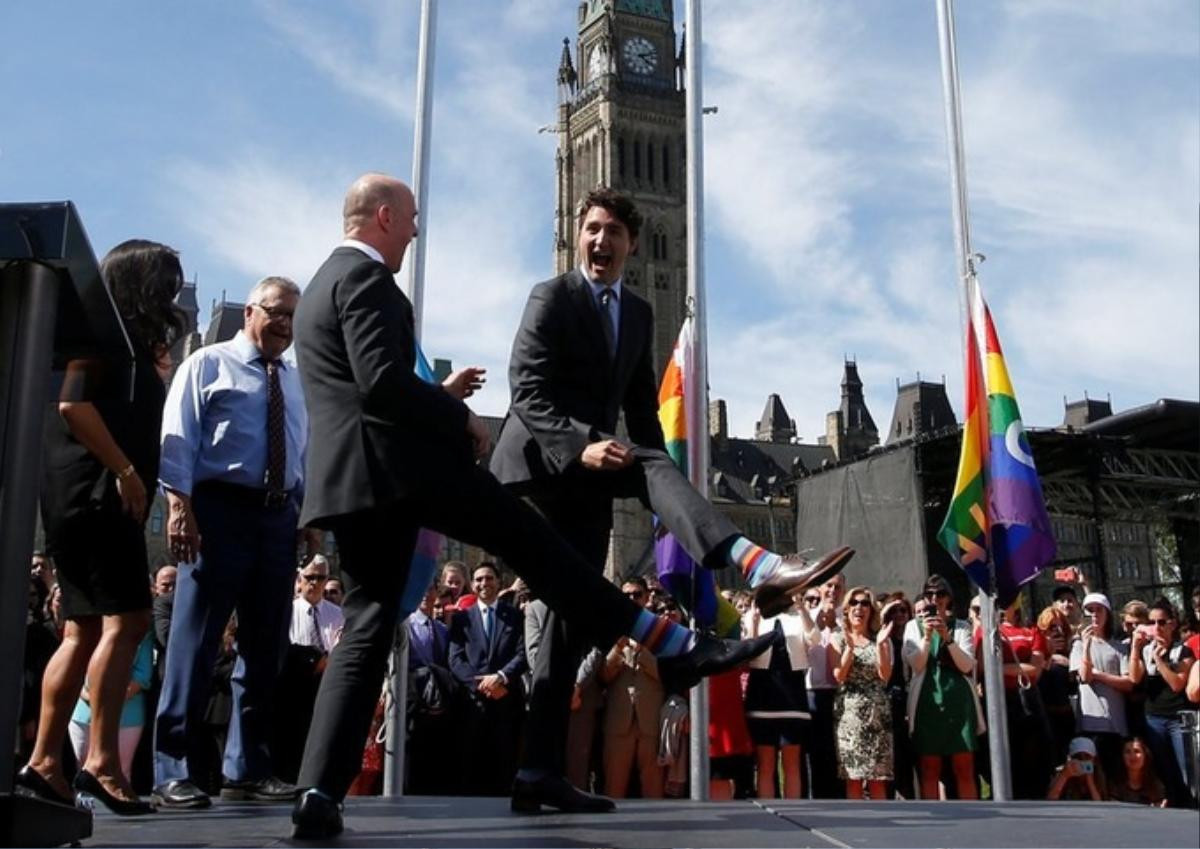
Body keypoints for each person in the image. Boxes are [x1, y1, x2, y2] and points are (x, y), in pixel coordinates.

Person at [288, 173, 779, 838]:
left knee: (368, 628)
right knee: (536, 546)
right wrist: (454, 413)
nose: (414, 230)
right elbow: (381, 384)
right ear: (381, 216)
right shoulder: (371, 281)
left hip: (349, 485)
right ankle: (671, 643)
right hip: (405, 473)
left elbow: (361, 382)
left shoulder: (321, 284)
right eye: (408, 218)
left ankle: (318, 789)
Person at [489, 187, 853, 814]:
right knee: (565, 612)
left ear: (634, 243)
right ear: (578, 234)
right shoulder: (552, 296)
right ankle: (745, 575)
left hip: (594, 471)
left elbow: (642, 419)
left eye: (613, 233)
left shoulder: (636, 313)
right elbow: (527, 391)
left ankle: (536, 772)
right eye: (592, 229)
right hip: (540, 473)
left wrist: (670, 499)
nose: (600, 241)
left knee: (567, 631)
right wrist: (582, 448)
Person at [20, 240, 185, 815]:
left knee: (84, 629)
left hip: (81, 496)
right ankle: (98, 763)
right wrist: (126, 471)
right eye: (166, 282)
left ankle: (47, 764)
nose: (171, 293)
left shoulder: (115, 343)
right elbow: (74, 405)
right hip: (96, 493)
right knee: (129, 620)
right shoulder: (98, 336)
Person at [153, 275, 311, 810]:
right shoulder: (207, 363)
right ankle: (171, 767)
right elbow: (179, 437)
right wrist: (180, 507)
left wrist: (305, 514)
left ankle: (246, 766)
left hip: (277, 519)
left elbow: (299, 449)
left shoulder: (293, 379)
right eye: (276, 312)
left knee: (265, 648)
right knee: (195, 643)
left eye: (293, 315)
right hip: (218, 512)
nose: (285, 324)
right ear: (250, 312)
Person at [447, 563, 528, 796]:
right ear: (472, 585)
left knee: (504, 766)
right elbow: (455, 660)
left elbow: (522, 654)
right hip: (473, 704)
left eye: (489, 578)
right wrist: (480, 684)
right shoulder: (462, 620)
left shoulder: (514, 616)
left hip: (506, 702)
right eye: (479, 579)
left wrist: (501, 678)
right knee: (471, 767)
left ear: (499, 582)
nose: (484, 583)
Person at [903, 574, 981, 801]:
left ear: (949, 598)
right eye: (929, 594)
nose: (935, 598)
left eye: (940, 593)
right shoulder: (912, 627)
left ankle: (974, 816)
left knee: (964, 767)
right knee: (929, 767)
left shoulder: (961, 626)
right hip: (927, 701)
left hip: (958, 701)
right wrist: (927, 637)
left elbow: (967, 665)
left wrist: (947, 638)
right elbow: (916, 665)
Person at [743, 593, 819, 800]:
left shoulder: (797, 619)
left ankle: (793, 812)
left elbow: (815, 639)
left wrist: (802, 609)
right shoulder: (752, 617)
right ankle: (768, 811)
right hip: (762, 695)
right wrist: (754, 621)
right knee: (766, 765)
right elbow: (748, 652)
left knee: (791, 764)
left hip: (792, 696)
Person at [600, 579, 666, 799]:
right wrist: (618, 650)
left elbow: (667, 675)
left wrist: (643, 652)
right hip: (619, 723)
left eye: (636, 594)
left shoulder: (661, 630)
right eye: (626, 595)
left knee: (653, 789)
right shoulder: (609, 628)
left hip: (651, 722)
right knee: (614, 789)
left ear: (647, 597)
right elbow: (602, 676)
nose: (631, 600)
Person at [1128, 596, 1196, 807]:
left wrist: (1160, 660)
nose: (1156, 627)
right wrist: (1135, 649)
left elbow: (1177, 684)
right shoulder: (1146, 650)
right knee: (1164, 767)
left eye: (1161, 622)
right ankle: (1174, 806)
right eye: (1151, 622)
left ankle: (1193, 805)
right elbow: (1134, 678)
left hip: (1178, 719)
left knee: (1187, 768)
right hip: (1154, 717)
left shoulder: (1183, 651)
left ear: (1172, 624)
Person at [983, 598, 1051, 800]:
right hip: (999, 703)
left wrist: (1000, 668)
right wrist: (1018, 668)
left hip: (1026, 703)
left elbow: (1035, 671)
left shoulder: (1032, 632)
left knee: (1032, 758)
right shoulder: (990, 631)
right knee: (1005, 759)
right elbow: (983, 666)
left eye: (1009, 599)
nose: (1004, 604)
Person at [829, 587, 893, 800]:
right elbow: (839, 675)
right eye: (854, 603)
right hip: (850, 715)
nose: (859, 608)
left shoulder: (879, 638)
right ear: (846, 609)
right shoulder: (837, 638)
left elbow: (885, 675)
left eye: (865, 603)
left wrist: (882, 644)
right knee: (853, 776)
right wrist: (849, 647)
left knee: (878, 777)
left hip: (877, 713)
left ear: (871, 610)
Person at [68, 632, 154, 784]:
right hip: (84, 712)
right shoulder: (89, 626)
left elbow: (142, 676)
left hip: (127, 716)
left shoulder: (143, 631)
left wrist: (102, 699)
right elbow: (73, 667)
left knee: (121, 772)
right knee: (83, 769)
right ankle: (82, 806)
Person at [1070, 592, 1132, 780]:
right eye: (1090, 611)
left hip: (1116, 725)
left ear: (1107, 614)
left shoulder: (1119, 647)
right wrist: (1087, 645)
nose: (1095, 615)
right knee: (1091, 778)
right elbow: (1085, 677)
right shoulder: (1078, 646)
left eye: (1099, 610)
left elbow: (1128, 683)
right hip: (1090, 724)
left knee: (1114, 777)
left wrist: (1099, 675)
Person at [805, 574, 847, 799]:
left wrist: (836, 626)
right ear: (819, 589)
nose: (833, 591)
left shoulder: (849, 618)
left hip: (841, 692)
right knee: (816, 752)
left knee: (839, 751)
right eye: (828, 585)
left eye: (838, 587)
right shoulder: (806, 617)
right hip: (812, 691)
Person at [879, 595, 915, 798]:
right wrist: (884, 615)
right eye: (894, 611)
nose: (899, 615)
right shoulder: (883, 639)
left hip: (910, 700)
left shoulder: (914, 638)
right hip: (889, 702)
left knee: (907, 761)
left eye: (903, 610)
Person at [1036, 605, 1076, 762]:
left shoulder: (1073, 653)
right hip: (1046, 720)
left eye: (1062, 627)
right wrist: (1049, 656)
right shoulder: (1037, 655)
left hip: (1069, 720)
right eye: (1053, 627)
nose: (1058, 632)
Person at [1108, 736, 1168, 806]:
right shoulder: (1115, 784)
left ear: (1145, 755)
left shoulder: (1156, 785)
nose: (1132, 756)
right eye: (1128, 752)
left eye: (1137, 751)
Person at [1047, 736, 1107, 801]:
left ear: (1094, 760)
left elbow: (1099, 807)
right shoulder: (1061, 775)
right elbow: (1050, 801)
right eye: (1078, 757)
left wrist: (1090, 781)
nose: (1083, 760)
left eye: (1087, 757)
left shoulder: (1099, 778)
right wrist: (1064, 776)